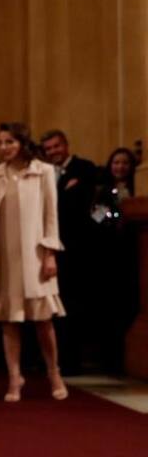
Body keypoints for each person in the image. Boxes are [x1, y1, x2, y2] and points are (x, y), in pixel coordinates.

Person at [0, 123, 67, 401]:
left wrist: (50, 253)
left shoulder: (43, 171)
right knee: (8, 321)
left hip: (36, 255)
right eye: (0, 142)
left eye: (9, 142)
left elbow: (51, 216)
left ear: (21, 143)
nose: (3, 147)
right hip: (5, 255)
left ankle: (54, 372)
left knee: (43, 320)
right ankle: (14, 377)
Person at [40, 128, 96, 374]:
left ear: (66, 145)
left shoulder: (85, 168)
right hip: (52, 248)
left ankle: (72, 361)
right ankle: (54, 361)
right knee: (53, 305)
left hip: (78, 250)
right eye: (49, 149)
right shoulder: (44, 173)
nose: (53, 152)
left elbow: (88, 205)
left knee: (74, 306)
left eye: (56, 146)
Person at [91, 147, 139, 372]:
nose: (120, 167)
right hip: (109, 255)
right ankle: (108, 359)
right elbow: (96, 217)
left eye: (125, 163)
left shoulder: (138, 188)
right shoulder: (102, 191)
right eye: (116, 163)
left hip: (133, 253)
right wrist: (114, 219)